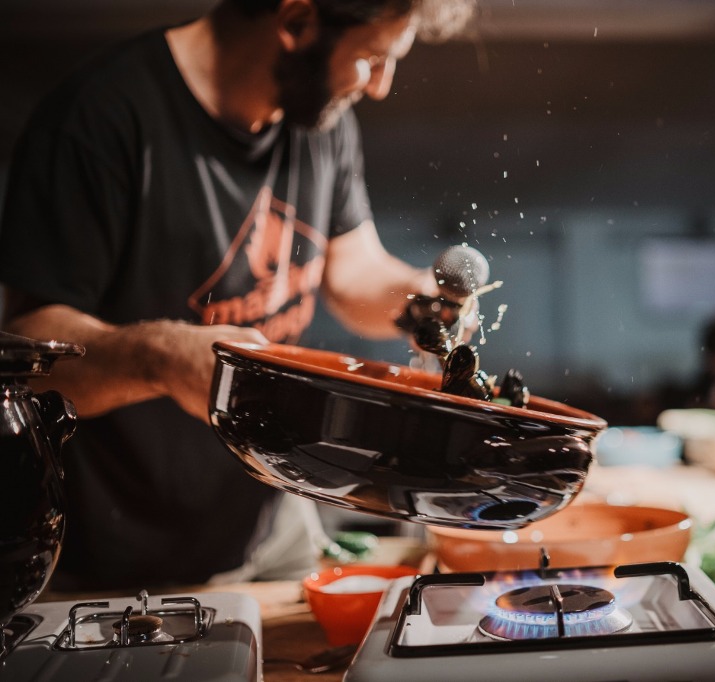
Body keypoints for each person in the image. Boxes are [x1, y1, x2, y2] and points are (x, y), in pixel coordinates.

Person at [0, 0, 476, 590]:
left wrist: (419, 303)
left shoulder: (318, 119)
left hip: (271, 526)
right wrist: (161, 356)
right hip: (113, 559)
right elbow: (32, 359)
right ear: (297, 21)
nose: (379, 87)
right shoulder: (97, 119)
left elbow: (353, 270)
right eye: (372, 58)